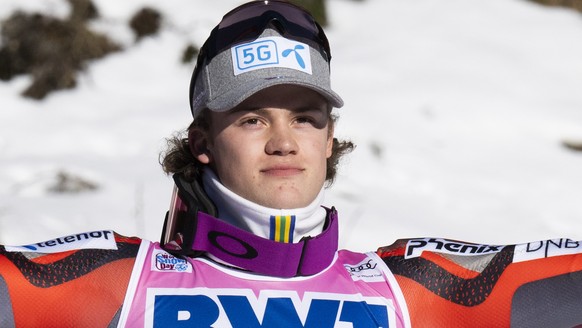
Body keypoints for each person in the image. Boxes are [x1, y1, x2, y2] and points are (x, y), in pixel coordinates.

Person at [1, 1, 582, 327]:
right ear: (203, 140)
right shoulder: (119, 281)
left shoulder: (408, 289)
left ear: (331, 139)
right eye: (253, 118)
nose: (285, 141)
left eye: (306, 117)